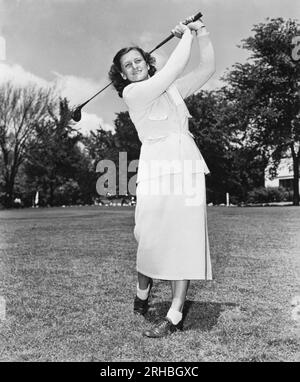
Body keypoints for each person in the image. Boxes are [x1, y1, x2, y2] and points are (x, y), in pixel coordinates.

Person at [109, 17, 215, 338]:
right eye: (128, 65)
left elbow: (206, 68)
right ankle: (143, 291)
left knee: (184, 236)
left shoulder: (172, 91)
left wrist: (200, 33)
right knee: (147, 235)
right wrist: (182, 36)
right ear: (123, 74)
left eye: (138, 60)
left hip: (186, 164)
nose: (135, 66)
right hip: (155, 167)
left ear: (146, 61)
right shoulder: (133, 93)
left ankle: (174, 313)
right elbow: (171, 69)